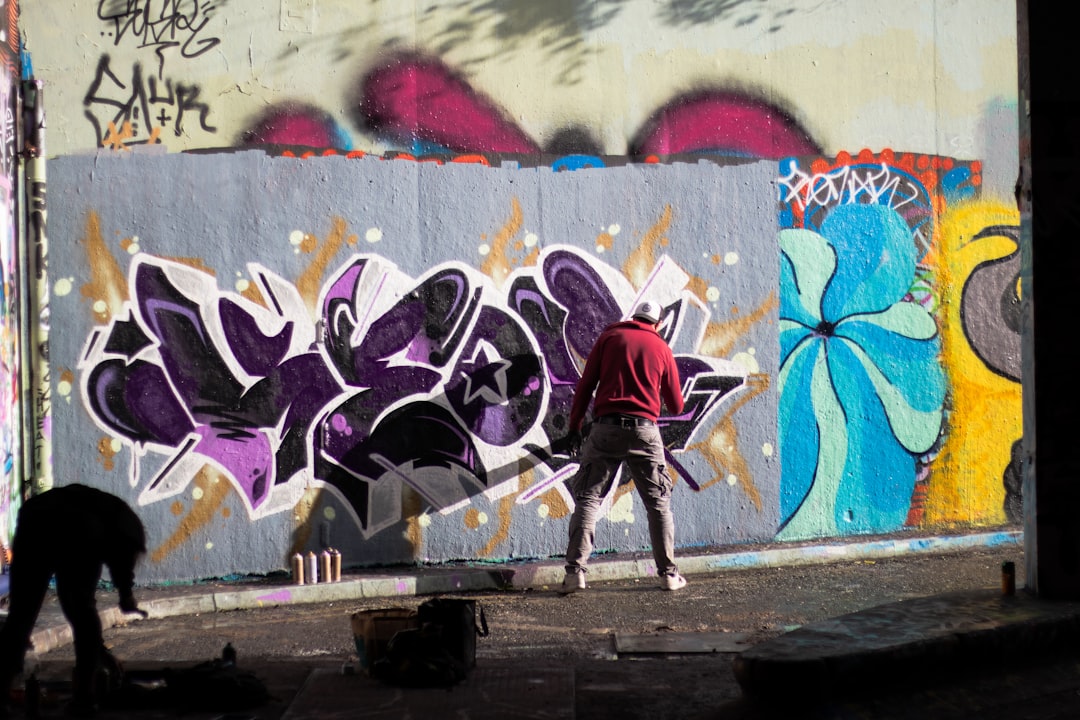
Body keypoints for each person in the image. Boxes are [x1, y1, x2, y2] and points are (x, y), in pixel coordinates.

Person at [560, 300, 686, 594]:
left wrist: (575, 426)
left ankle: (574, 574)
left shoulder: (609, 338)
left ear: (634, 317)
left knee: (589, 499)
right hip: (644, 431)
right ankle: (668, 574)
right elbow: (677, 404)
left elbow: (585, 386)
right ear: (657, 323)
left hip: (605, 428)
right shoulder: (661, 348)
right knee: (658, 505)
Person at [0, 484, 149, 716]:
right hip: (76, 527)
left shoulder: (117, 521)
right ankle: (84, 696)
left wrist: (99, 651)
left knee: (22, 614)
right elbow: (121, 567)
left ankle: (1, 689)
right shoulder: (123, 532)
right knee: (82, 612)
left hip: (35, 518)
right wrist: (126, 596)